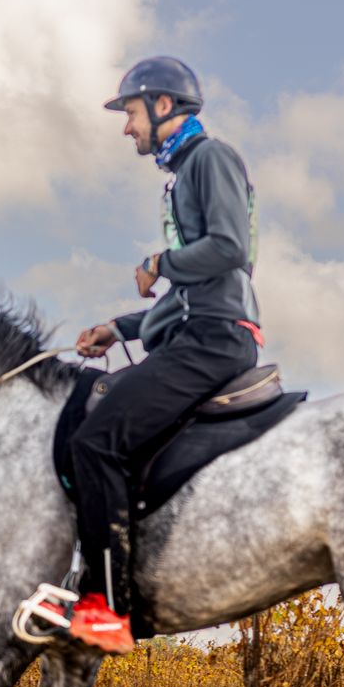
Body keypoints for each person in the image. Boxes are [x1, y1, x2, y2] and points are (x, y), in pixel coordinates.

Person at [56, 55, 262, 654]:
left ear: (164, 105)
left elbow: (228, 249)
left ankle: (108, 609)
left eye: (131, 113)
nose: (127, 128)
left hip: (216, 339)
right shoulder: (181, 173)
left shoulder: (210, 159)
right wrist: (117, 329)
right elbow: (185, 298)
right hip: (199, 330)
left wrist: (158, 263)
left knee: (94, 442)